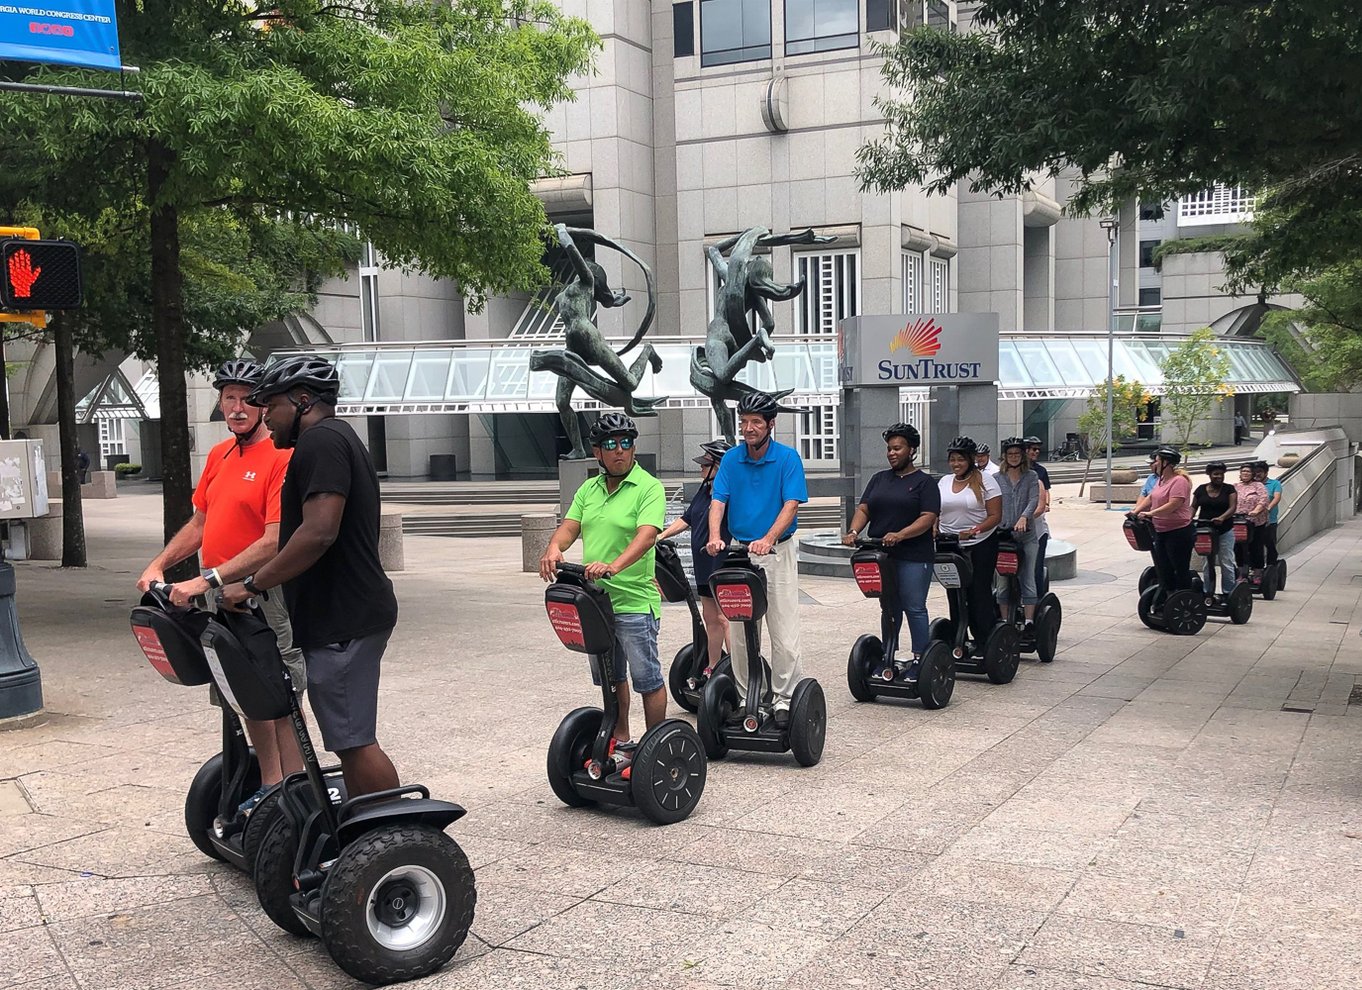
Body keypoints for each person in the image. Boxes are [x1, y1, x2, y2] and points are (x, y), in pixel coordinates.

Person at [220, 356, 401, 798]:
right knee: (346, 738)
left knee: (353, 739)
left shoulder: (322, 442)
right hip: (339, 614)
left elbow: (318, 532)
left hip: (346, 615)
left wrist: (252, 584)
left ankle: (394, 831)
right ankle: (366, 829)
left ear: (303, 401)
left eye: (273, 405)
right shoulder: (330, 440)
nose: (266, 415)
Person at [137, 359, 305, 814]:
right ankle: (271, 786)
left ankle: (290, 791)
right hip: (219, 592)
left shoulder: (282, 457)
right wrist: (160, 564)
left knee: (278, 688)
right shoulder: (220, 456)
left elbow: (274, 539)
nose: (237, 407)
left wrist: (205, 578)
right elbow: (201, 522)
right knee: (243, 688)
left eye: (248, 398)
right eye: (229, 397)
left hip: (264, 591)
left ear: (264, 404)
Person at [541, 413, 667, 755]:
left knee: (648, 680)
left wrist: (614, 566)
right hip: (595, 603)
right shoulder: (588, 489)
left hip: (634, 602)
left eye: (626, 443)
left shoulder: (649, 488)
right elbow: (570, 526)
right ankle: (621, 738)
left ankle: (657, 746)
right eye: (610, 445)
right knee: (612, 677)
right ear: (597, 452)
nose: (619, 451)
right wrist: (555, 546)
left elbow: (646, 536)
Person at [705, 391, 809, 726]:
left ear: (770, 425)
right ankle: (749, 696)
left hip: (776, 551)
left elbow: (791, 503)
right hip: (740, 553)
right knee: (739, 630)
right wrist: (715, 536)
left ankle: (783, 698)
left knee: (782, 627)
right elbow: (718, 500)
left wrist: (768, 538)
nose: (748, 428)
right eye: (744, 421)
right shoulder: (733, 460)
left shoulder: (787, 459)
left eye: (755, 422)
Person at [843, 423, 940, 680]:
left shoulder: (924, 483)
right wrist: (853, 532)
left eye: (897, 448)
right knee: (889, 607)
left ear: (912, 450)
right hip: (883, 556)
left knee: (913, 606)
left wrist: (901, 534)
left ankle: (921, 658)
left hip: (914, 555)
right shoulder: (879, 479)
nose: (891, 453)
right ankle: (889, 655)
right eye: (889, 448)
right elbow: (864, 509)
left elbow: (928, 517)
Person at [658, 439, 732, 681]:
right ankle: (713, 666)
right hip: (703, 564)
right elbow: (687, 518)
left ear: (718, 467)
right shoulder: (704, 490)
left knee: (724, 617)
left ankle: (736, 667)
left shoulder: (728, 493)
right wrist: (661, 535)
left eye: (706, 465)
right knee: (710, 617)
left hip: (720, 561)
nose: (701, 469)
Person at [936, 436, 1003, 648]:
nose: (956, 464)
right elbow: (936, 511)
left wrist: (974, 530)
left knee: (977, 592)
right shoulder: (944, 481)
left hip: (980, 544)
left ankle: (984, 639)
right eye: (952, 460)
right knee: (954, 592)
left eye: (961, 460)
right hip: (949, 545)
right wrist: (934, 527)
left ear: (971, 459)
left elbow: (995, 516)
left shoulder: (986, 480)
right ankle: (958, 638)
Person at [994, 438, 1041, 642]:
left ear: (1022, 456)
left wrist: (1024, 517)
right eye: (1010, 454)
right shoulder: (997, 478)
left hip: (1026, 536)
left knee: (1027, 577)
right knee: (1003, 581)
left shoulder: (1031, 476)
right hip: (1003, 537)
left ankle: (1029, 622)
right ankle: (1005, 622)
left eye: (1017, 454)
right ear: (1005, 456)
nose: (1013, 457)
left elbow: (1034, 499)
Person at [1135, 446, 1194, 593]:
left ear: (1166, 463)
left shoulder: (1179, 481)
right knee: (1163, 567)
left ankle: (1184, 596)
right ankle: (1167, 594)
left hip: (1179, 532)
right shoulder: (1161, 480)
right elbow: (1150, 497)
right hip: (1161, 530)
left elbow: (1173, 505)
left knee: (1179, 567)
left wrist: (1151, 514)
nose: (1155, 463)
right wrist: (1136, 511)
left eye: (1157, 461)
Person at [1191, 461, 1239, 597]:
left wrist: (1222, 518)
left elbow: (1232, 507)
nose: (1219, 477)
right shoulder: (1201, 489)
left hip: (1224, 530)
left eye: (1221, 474)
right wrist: (1189, 518)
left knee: (1226, 561)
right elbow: (1193, 506)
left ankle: (1228, 592)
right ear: (1209, 475)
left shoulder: (1229, 489)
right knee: (1207, 562)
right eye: (1215, 474)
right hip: (1205, 531)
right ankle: (1208, 591)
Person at [1024, 436, 1051, 596]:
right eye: (1033, 449)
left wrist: (1045, 505)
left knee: (1036, 568)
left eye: (1037, 449)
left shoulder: (1040, 472)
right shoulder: (1010, 472)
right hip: (1015, 527)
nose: (1036, 452)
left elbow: (1045, 494)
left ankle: (1038, 600)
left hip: (1036, 527)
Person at [1233, 462, 1269, 581]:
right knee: (1238, 547)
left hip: (1255, 522)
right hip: (1238, 522)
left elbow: (1264, 500)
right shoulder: (1236, 486)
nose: (1245, 473)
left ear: (1252, 473)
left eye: (1248, 471)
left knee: (1256, 546)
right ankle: (1241, 572)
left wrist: (1256, 511)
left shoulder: (1258, 486)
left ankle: (1257, 572)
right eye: (1243, 471)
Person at [1255, 460, 1283, 569]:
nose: (1257, 474)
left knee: (1270, 544)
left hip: (1269, 520)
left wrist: (1268, 508)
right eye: (1255, 472)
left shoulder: (1275, 484)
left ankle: (1271, 567)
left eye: (1260, 472)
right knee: (1256, 546)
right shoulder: (1252, 485)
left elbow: (1277, 497)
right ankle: (1257, 568)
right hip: (1254, 521)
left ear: (1266, 472)